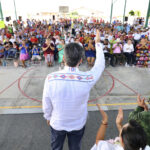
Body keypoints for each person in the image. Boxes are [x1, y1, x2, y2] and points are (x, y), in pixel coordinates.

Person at [42, 30, 105, 150]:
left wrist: (48, 116)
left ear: (64, 59)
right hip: (77, 124)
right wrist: (97, 43)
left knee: (56, 147)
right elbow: (100, 65)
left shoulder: (51, 78)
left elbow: (46, 102)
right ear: (81, 60)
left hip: (57, 123)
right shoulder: (87, 78)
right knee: (75, 147)